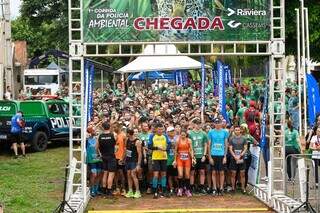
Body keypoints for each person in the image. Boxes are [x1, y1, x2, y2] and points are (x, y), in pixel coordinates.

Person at [148, 123, 171, 199]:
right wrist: (157, 148)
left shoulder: (165, 136)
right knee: (156, 175)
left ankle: (163, 191)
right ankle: (155, 191)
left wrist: (166, 149)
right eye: (159, 129)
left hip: (164, 157)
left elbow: (169, 144)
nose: (161, 131)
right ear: (156, 129)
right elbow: (149, 146)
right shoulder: (152, 136)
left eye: (162, 129)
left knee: (164, 174)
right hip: (155, 158)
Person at [208, 118, 229, 196]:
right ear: (214, 124)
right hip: (213, 154)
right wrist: (209, 157)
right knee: (214, 172)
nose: (217, 124)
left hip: (221, 155)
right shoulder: (210, 132)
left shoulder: (225, 132)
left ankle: (221, 188)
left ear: (221, 123)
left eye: (219, 123)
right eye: (216, 123)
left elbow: (226, 144)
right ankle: (214, 188)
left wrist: (225, 156)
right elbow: (209, 145)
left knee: (221, 172)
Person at [97, 122, 117, 196]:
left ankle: (104, 189)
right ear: (109, 127)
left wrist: (100, 154)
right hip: (111, 157)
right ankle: (109, 190)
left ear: (103, 128)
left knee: (105, 173)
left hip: (104, 157)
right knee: (111, 174)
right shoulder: (113, 135)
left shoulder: (100, 136)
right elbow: (116, 145)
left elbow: (96, 147)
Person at [173, 129, 195, 197]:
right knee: (180, 174)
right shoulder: (177, 141)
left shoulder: (189, 140)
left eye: (184, 135)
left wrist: (193, 159)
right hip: (180, 159)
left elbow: (191, 150)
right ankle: (180, 189)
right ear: (180, 134)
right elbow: (175, 151)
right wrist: (174, 160)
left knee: (187, 175)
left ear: (186, 135)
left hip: (187, 159)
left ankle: (187, 190)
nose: (183, 136)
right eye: (181, 135)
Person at [189, 119, 208, 194]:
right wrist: (192, 156)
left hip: (201, 156)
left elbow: (206, 145)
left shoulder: (203, 133)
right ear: (194, 125)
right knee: (192, 172)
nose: (198, 125)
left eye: (199, 124)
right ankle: (192, 187)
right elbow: (189, 146)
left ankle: (202, 187)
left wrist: (204, 155)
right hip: (193, 156)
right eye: (196, 124)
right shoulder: (190, 133)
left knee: (202, 171)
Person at [229, 126, 248, 193]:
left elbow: (245, 148)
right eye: (236, 130)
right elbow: (230, 149)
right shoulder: (231, 139)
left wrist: (240, 155)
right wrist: (235, 156)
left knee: (242, 173)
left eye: (238, 130)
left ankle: (243, 188)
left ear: (240, 131)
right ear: (234, 131)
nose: (237, 131)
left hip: (241, 158)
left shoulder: (244, 138)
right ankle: (233, 188)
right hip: (233, 158)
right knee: (233, 174)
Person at [124, 129, 142, 198]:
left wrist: (138, 164)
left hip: (134, 161)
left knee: (133, 175)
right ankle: (130, 191)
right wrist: (123, 159)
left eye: (126, 133)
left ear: (129, 133)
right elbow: (126, 151)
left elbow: (140, 154)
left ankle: (138, 191)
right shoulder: (127, 140)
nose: (126, 134)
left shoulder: (137, 141)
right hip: (128, 160)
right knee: (128, 175)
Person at [86, 126, 103, 197]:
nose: (95, 132)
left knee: (99, 173)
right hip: (91, 160)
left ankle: (96, 189)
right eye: (93, 131)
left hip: (98, 158)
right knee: (94, 174)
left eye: (95, 131)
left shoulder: (97, 138)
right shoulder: (86, 140)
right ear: (90, 132)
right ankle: (92, 189)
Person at [113, 123, 127, 196]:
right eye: (113, 127)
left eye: (115, 127)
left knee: (121, 174)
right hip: (114, 157)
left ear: (119, 127)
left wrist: (123, 158)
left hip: (120, 157)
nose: (114, 128)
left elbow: (125, 148)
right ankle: (117, 188)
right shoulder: (113, 135)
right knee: (115, 174)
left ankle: (123, 189)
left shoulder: (123, 135)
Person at [166, 126, 178, 195]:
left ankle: (177, 188)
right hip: (167, 160)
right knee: (169, 176)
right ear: (167, 132)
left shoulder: (177, 139)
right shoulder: (165, 139)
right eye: (171, 131)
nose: (172, 132)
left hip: (175, 160)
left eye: (173, 131)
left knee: (176, 176)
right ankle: (171, 188)